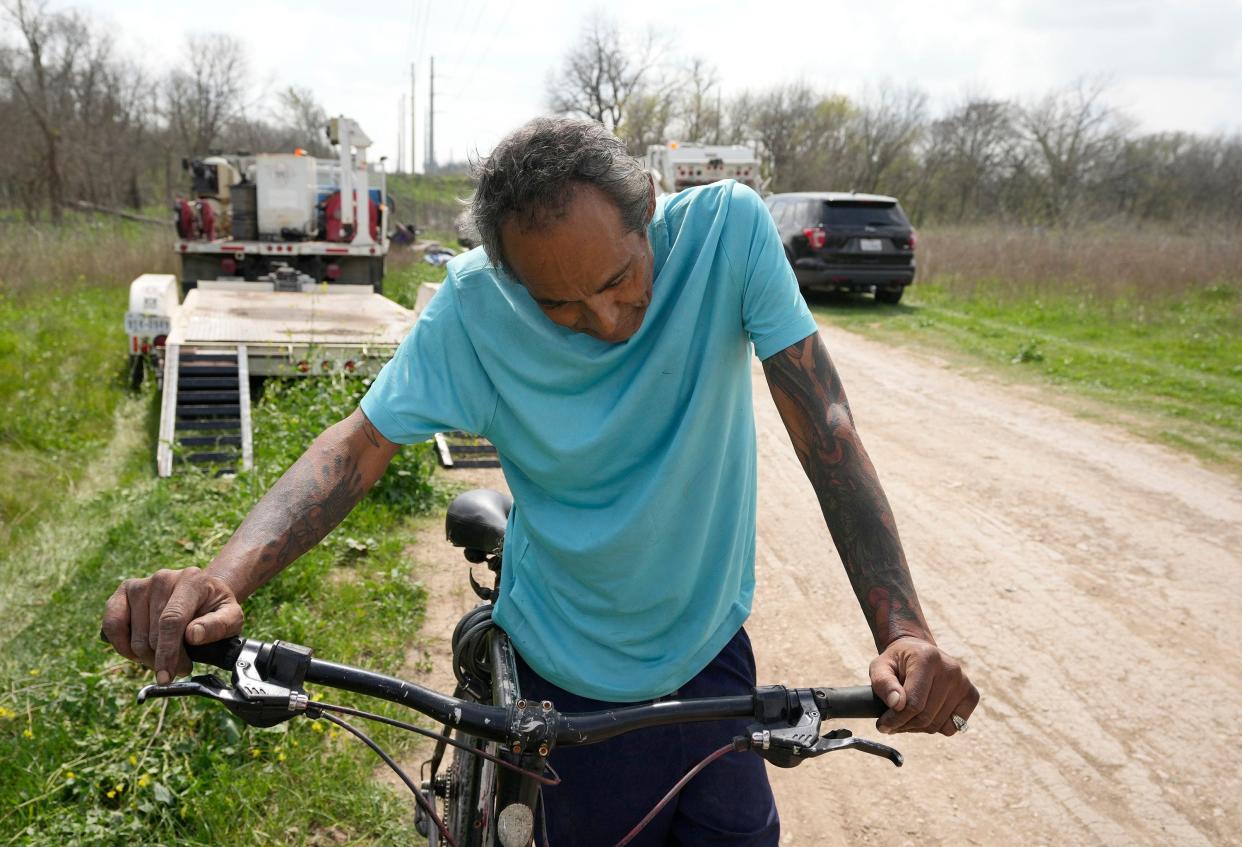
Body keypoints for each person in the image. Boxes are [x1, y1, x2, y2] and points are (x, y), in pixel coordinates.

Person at [102, 116, 978, 845]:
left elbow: (824, 426)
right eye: (559, 304)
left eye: (618, 280)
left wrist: (902, 626)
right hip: (555, 677)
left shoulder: (725, 236)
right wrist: (224, 576)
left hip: (707, 655)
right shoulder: (475, 310)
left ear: (649, 211)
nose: (602, 320)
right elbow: (358, 445)